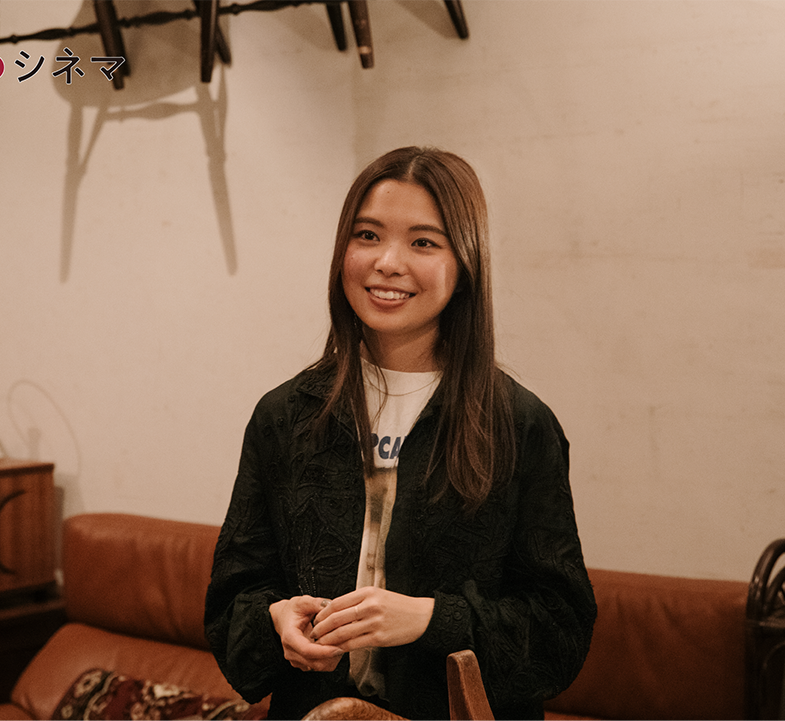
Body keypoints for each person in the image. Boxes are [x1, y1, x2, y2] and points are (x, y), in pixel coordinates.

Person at [205, 147, 596, 720]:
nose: (388, 262)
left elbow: (560, 632)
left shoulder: (517, 425)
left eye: (423, 242)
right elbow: (231, 601)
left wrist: (431, 620)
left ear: (466, 263)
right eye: (367, 235)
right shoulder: (285, 416)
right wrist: (275, 620)